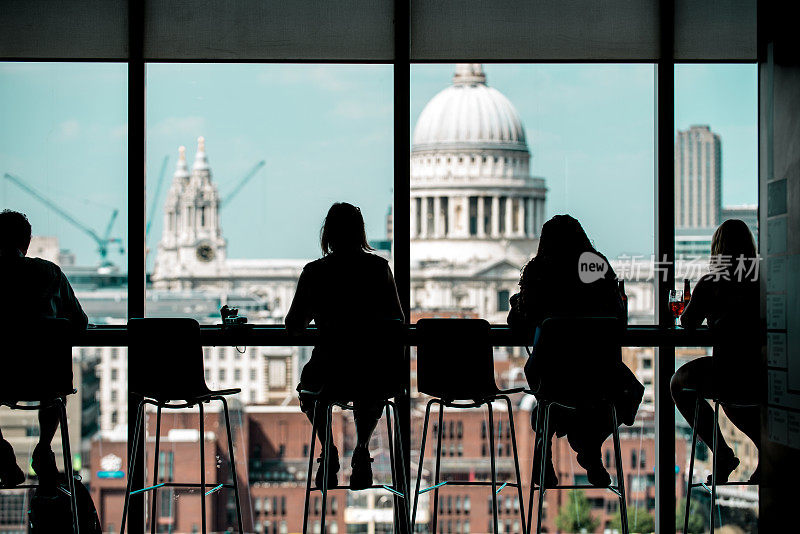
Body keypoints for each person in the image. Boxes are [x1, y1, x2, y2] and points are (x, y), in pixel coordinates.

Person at [508, 214, 643, 487]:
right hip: (599, 376)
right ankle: (588, 444)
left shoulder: (538, 273)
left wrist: (517, 302)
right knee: (627, 394)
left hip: (553, 376)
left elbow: (517, 323)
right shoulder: (596, 267)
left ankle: (550, 447)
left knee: (551, 400)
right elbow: (619, 318)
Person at [286, 202, 404, 490]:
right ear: (360, 233)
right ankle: (362, 449)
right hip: (370, 370)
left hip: (327, 370)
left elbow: (293, 325)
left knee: (309, 392)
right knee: (372, 392)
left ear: (327, 233)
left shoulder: (315, 272)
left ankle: (329, 449)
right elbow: (397, 321)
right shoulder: (378, 269)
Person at [0, 210, 88, 488]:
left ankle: (0, 450)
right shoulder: (50, 273)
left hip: (1, 378)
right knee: (53, 391)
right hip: (46, 379)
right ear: (26, 242)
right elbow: (80, 322)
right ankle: (44, 447)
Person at [671, 219, 761, 484]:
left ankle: (721, 452)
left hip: (727, 373)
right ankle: (764, 452)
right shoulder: (761, 281)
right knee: (735, 402)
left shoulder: (713, 283)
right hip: (759, 375)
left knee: (678, 384)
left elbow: (687, 324)